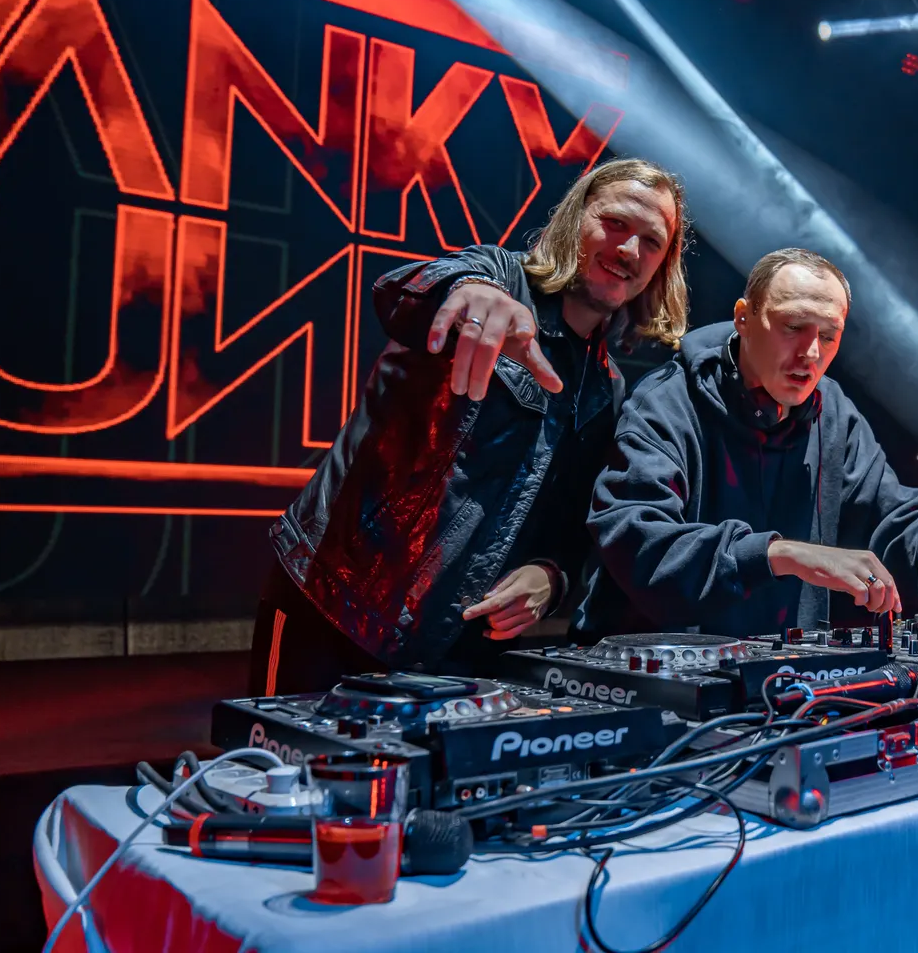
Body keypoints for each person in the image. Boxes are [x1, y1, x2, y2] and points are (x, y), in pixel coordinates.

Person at [248, 158, 689, 696]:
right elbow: (405, 293)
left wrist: (551, 578)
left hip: (455, 647)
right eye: (615, 223)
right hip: (335, 602)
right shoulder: (498, 277)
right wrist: (471, 295)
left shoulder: (606, 388)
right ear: (575, 217)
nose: (629, 250)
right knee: (276, 751)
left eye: (651, 241)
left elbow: (568, 528)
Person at [576, 247, 918, 641]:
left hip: (782, 679)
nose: (811, 352)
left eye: (828, 335)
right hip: (658, 681)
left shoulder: (833, 412)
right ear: (743, 318)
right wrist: (780, 554)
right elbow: (640, 543)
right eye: (793, 327)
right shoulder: (665, 402)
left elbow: (891, 517)